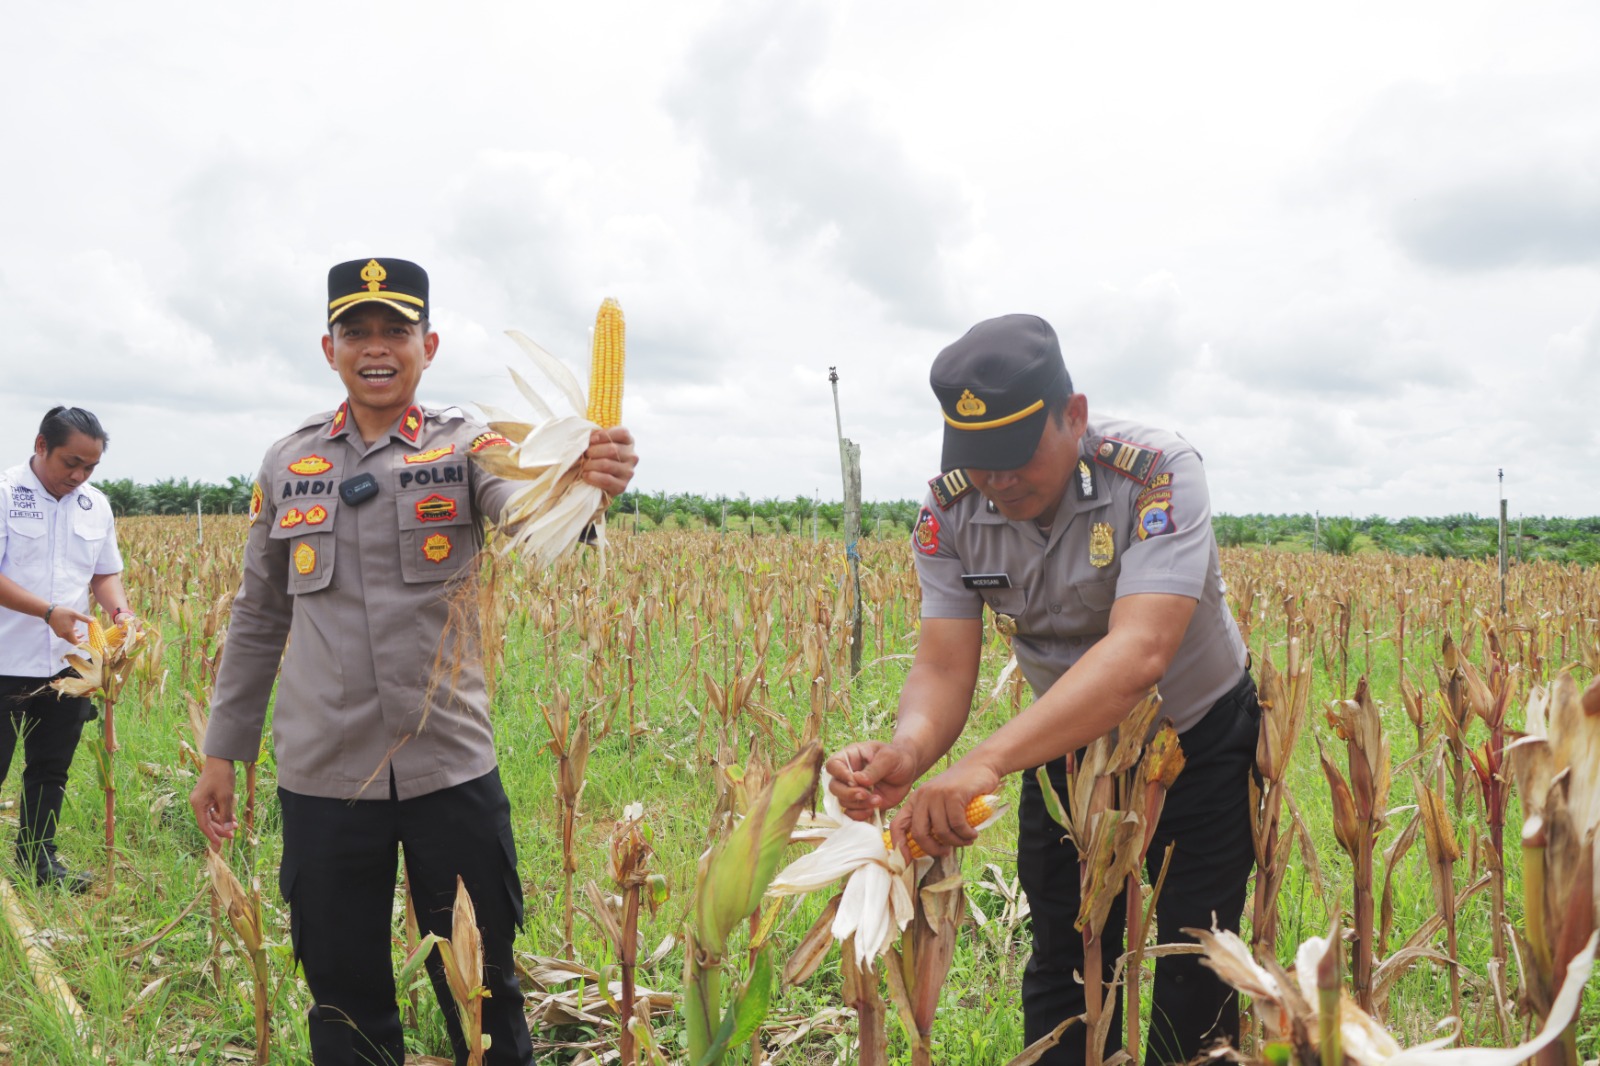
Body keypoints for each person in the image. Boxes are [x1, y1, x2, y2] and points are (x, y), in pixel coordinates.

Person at [189, 258, 638, 1066]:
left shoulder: (470, 446)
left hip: (449, 768)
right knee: (344, 998)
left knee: (485, 993)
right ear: (328, 348)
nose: (376, 348)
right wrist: (223, 751)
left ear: (427, 344)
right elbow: (258, 616)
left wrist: (584, 488)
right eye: (356, 331)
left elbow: (528, 512)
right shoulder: (287, 464)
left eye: (394, 330)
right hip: (325, 775)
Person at [826, 314, 1257, 1066]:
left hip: (1198, 741)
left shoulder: (1157, 473)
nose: (998, 480)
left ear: (1076, 416)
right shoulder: (951, 511)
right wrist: (909, 749)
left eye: (1016, 454)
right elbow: (944, 667)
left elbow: (1139, 653)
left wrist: (986, 761)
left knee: (1198, 960)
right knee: (1066, 951)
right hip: (1063, 751)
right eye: (978, 460)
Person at [0, 406, 138, 893]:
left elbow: (104, 573)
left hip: (67, 667)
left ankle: (39, 863)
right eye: (70, 463)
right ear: (41, 446)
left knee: (50, 768)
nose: (78, 476)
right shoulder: (4, 493)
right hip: (4, 661)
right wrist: (47, 611)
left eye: (90, 467)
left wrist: (120, 613)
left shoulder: (95, 505)